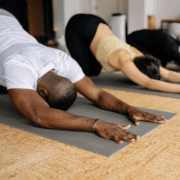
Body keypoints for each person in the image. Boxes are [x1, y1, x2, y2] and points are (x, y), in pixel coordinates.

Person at [0, 9, 166, 145]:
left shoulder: (62, 60)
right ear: (42, 93)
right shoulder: (18, 66)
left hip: (9, 21)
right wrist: (95, 124)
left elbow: (99, 95)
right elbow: (40, 115)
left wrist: (129, 108)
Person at [65, 14, 180, 93]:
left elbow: (168, 74)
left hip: (98, 22)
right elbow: (148, 83)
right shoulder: (123, 60)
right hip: (77, 25)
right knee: (88, 72)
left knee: (95, 70)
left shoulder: (140, 56)